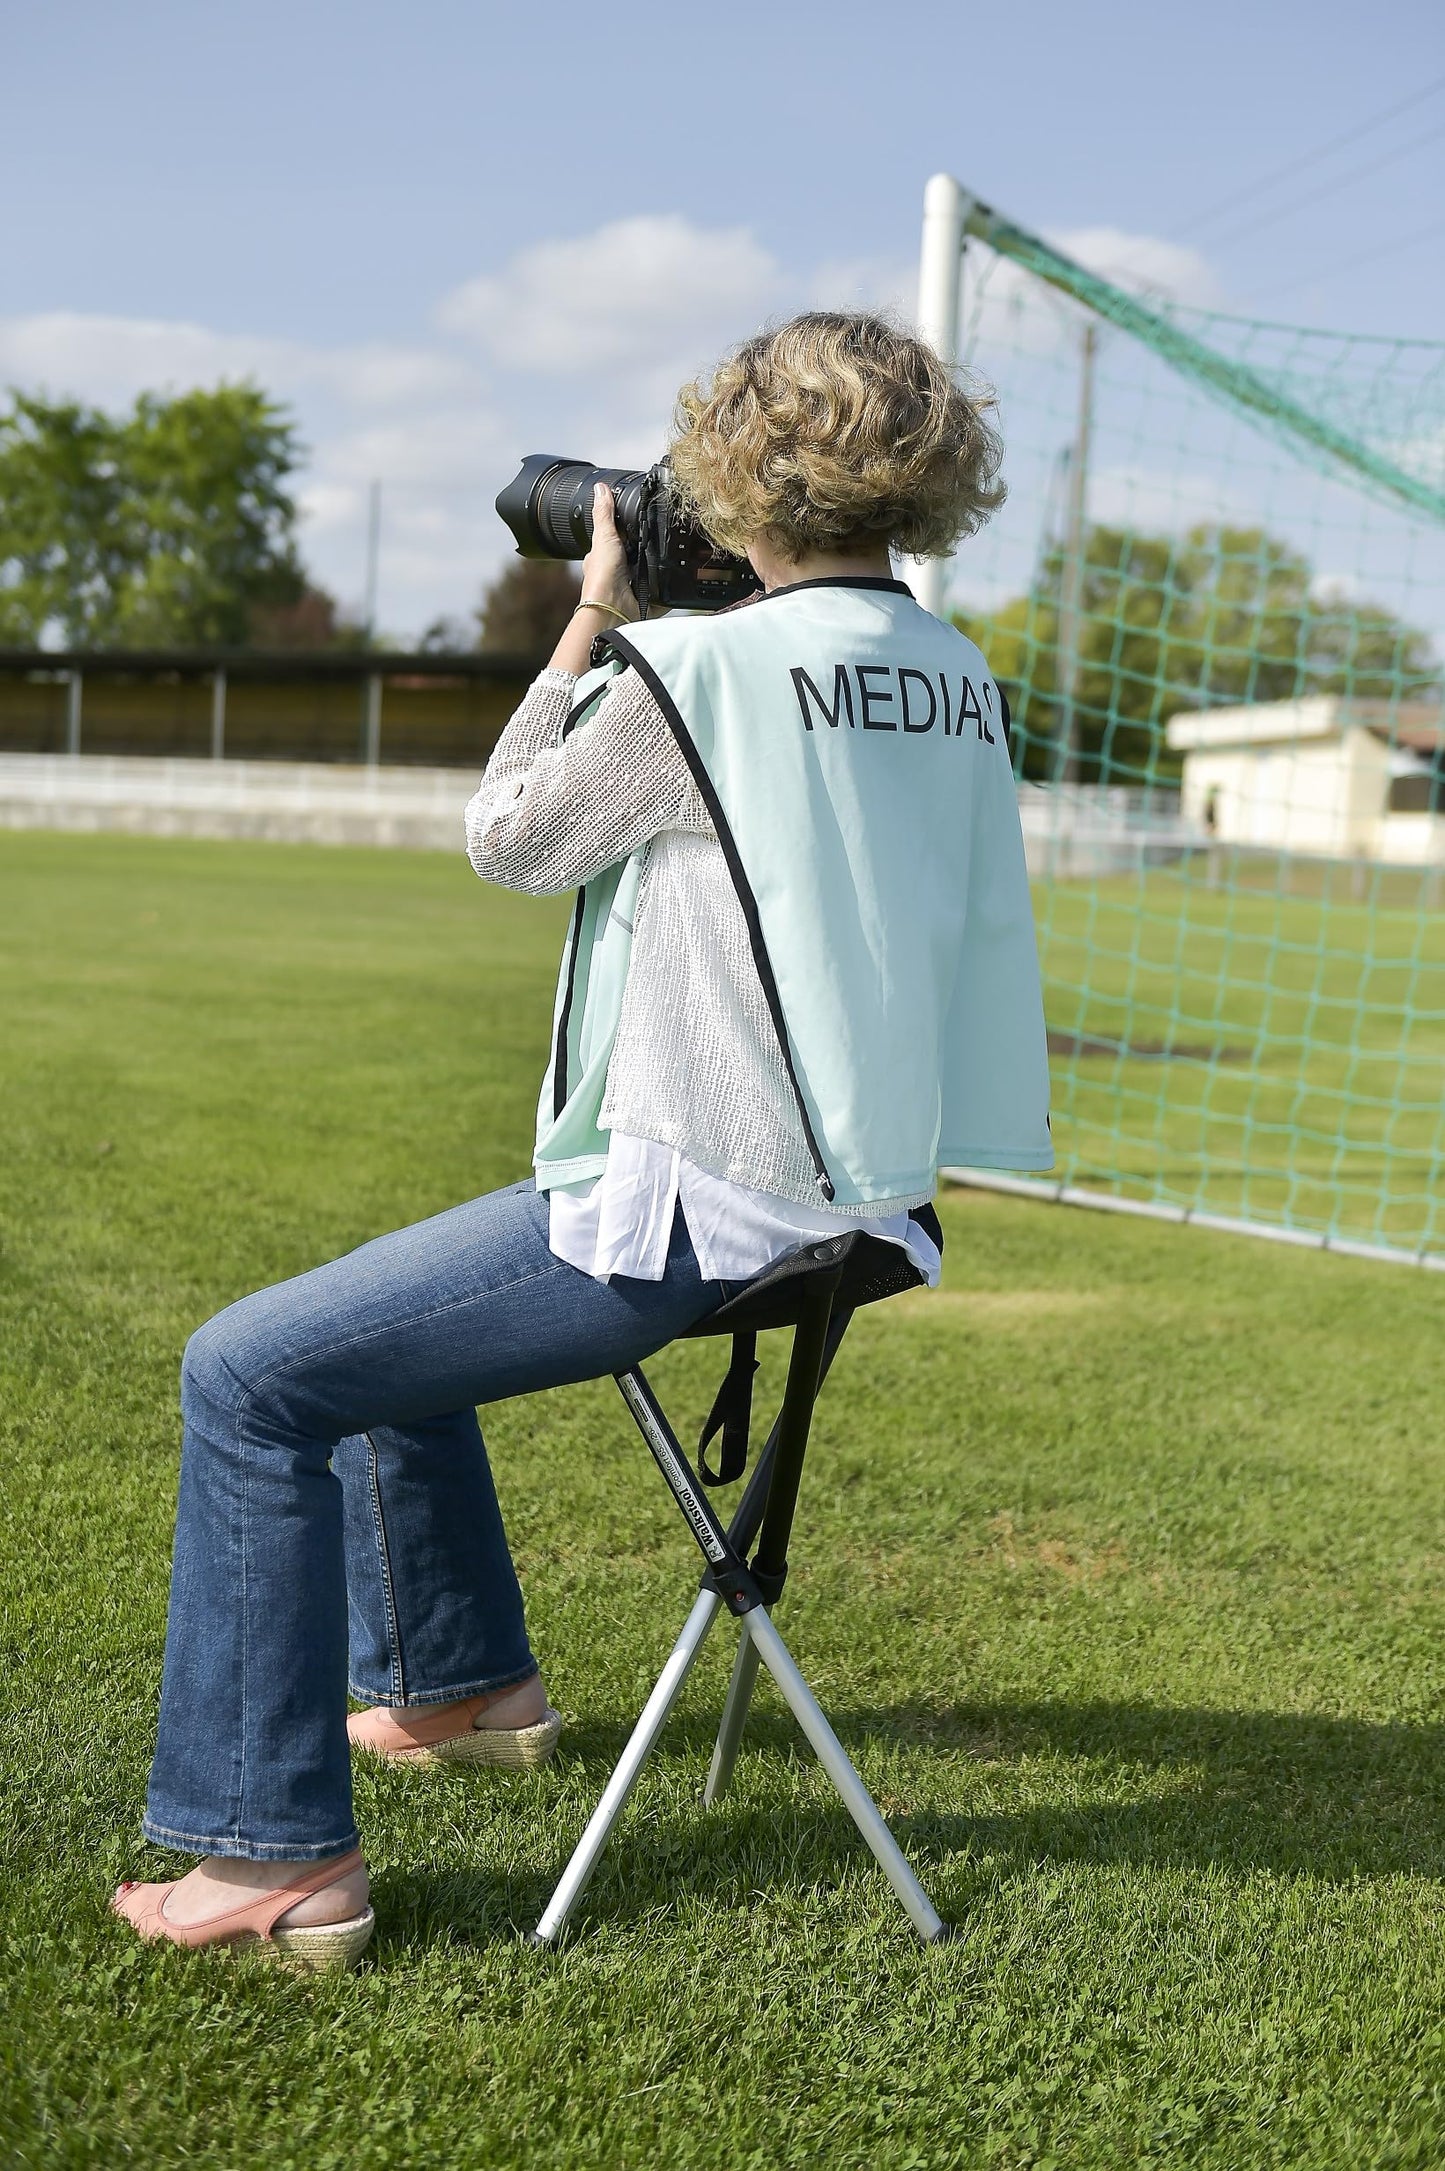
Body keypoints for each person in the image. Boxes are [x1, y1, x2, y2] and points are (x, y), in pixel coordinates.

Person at [113, 312, 1051, 1966]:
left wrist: (595, 617)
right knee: (388, 1325)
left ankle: (270, 1860)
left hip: (701, 1211)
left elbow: (508, 842)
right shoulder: (954, 674)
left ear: (741, 469)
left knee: (247, 1377)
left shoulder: (696, 676)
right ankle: (456, 1686)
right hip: (862, 1212)